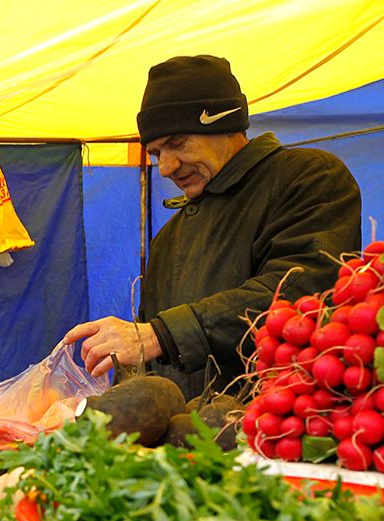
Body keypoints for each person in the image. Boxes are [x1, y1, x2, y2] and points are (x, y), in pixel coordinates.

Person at [63, 55, 362, 399]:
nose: (166, 167)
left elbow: (300, 294)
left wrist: (159, 334)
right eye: (158, 152)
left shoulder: (308, 178)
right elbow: (149, 360)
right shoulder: (169, 239)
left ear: (226, 124)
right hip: (184, 443)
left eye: (178, 143)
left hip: (275, 430)